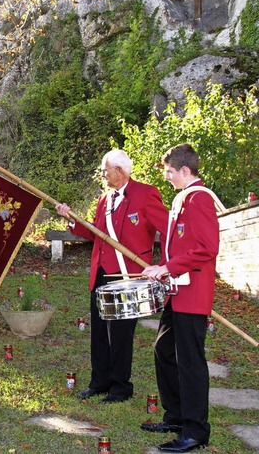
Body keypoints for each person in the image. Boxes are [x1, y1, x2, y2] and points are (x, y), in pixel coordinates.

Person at [55, 149, 168, 403]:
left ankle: (120, 387)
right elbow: (97, 233)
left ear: (120, 171)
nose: (103, 174)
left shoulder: (145, 193)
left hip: (128, 275)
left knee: (120, 334)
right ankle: (100, 382)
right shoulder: (104, 199)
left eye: (106, 170)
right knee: (99, 331)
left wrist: (164, 265)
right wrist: (71, 220)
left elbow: (168, 230)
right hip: (102, 273)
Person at [141, 143, 219, 452]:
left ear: (185, 170)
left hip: (193, 292)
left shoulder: (199, 200)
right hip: (178, 291)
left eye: (171, 172)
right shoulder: (183, 199)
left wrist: (167, 267)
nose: (167, 177)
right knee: (163, 349)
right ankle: (175, 416)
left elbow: (206, 249)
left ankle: (195, 431)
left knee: (191, 362)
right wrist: (165, 269)